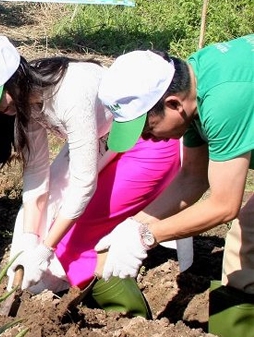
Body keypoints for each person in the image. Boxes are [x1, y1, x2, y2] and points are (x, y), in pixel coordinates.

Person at [0, 36, 181, 316]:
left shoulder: (70, 94)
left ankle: (130, 316)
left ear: (16, 77)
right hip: (104, 141)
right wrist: (29, 240)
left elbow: (83, 184)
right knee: (33, 221)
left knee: (75, 234)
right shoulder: (27, 97)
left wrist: (45, 248)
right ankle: (31, 298)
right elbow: (37, 172)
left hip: (147, 142)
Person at [96, 40, 254, 336]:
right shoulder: (191, 85)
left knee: (248, 231)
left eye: (148, 128)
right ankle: (238, 330)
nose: (149, 138)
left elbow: (224, 205)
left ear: (172, 105)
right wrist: (130, 228)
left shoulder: (223, 100)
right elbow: (193, 178)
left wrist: (145, 237)